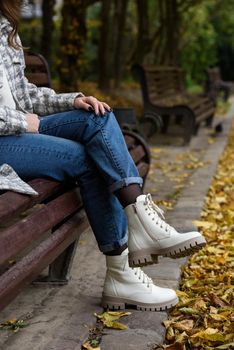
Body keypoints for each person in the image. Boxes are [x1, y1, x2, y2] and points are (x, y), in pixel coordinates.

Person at [0, 0, 206, 312]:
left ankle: (139, 224)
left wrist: (75, 100)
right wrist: (26, 122)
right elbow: (21, 114)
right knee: (88, 158)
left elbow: (25, 94)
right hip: (6, 139)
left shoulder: (5, 25)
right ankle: (124, 268)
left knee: (97, 116)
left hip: (17, 134)